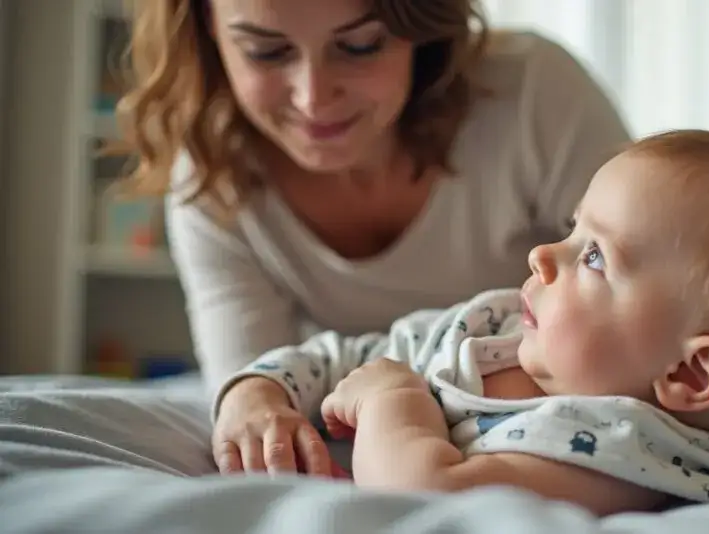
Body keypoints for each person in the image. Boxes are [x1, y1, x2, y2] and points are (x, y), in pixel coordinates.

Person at [212, 129, 709, 516]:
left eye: (593, 256)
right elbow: (347, 354)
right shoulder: (507, 327)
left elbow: (425, 493)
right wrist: (257, 391)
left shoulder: (617, 453)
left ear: (688, 371)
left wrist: (392, 398)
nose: (543, 254)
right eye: (573, 230)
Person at [116, 1, 630, 391]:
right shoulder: (212, 179)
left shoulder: (534, 93)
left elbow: (665, 295)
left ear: (418, 25)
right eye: (266, 51)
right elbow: (258, 387)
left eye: (360, 45)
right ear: (209, 31)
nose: (313, 96)